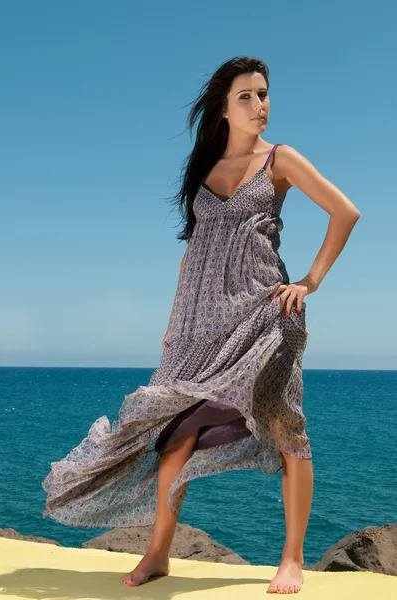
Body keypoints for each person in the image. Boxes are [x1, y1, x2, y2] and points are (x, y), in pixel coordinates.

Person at [41, 55, 360, 594]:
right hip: (200, 328)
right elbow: (194, 257)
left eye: (264, 94)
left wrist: (310, 281)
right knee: (174, 436)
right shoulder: (202, 170)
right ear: (222, 108)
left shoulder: (281, 159)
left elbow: (345, 211)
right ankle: (159, 554)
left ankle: (292, 560)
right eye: (247, 96)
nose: (260, 105)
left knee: (286, 430)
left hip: (267, 316)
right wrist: (172, 328)